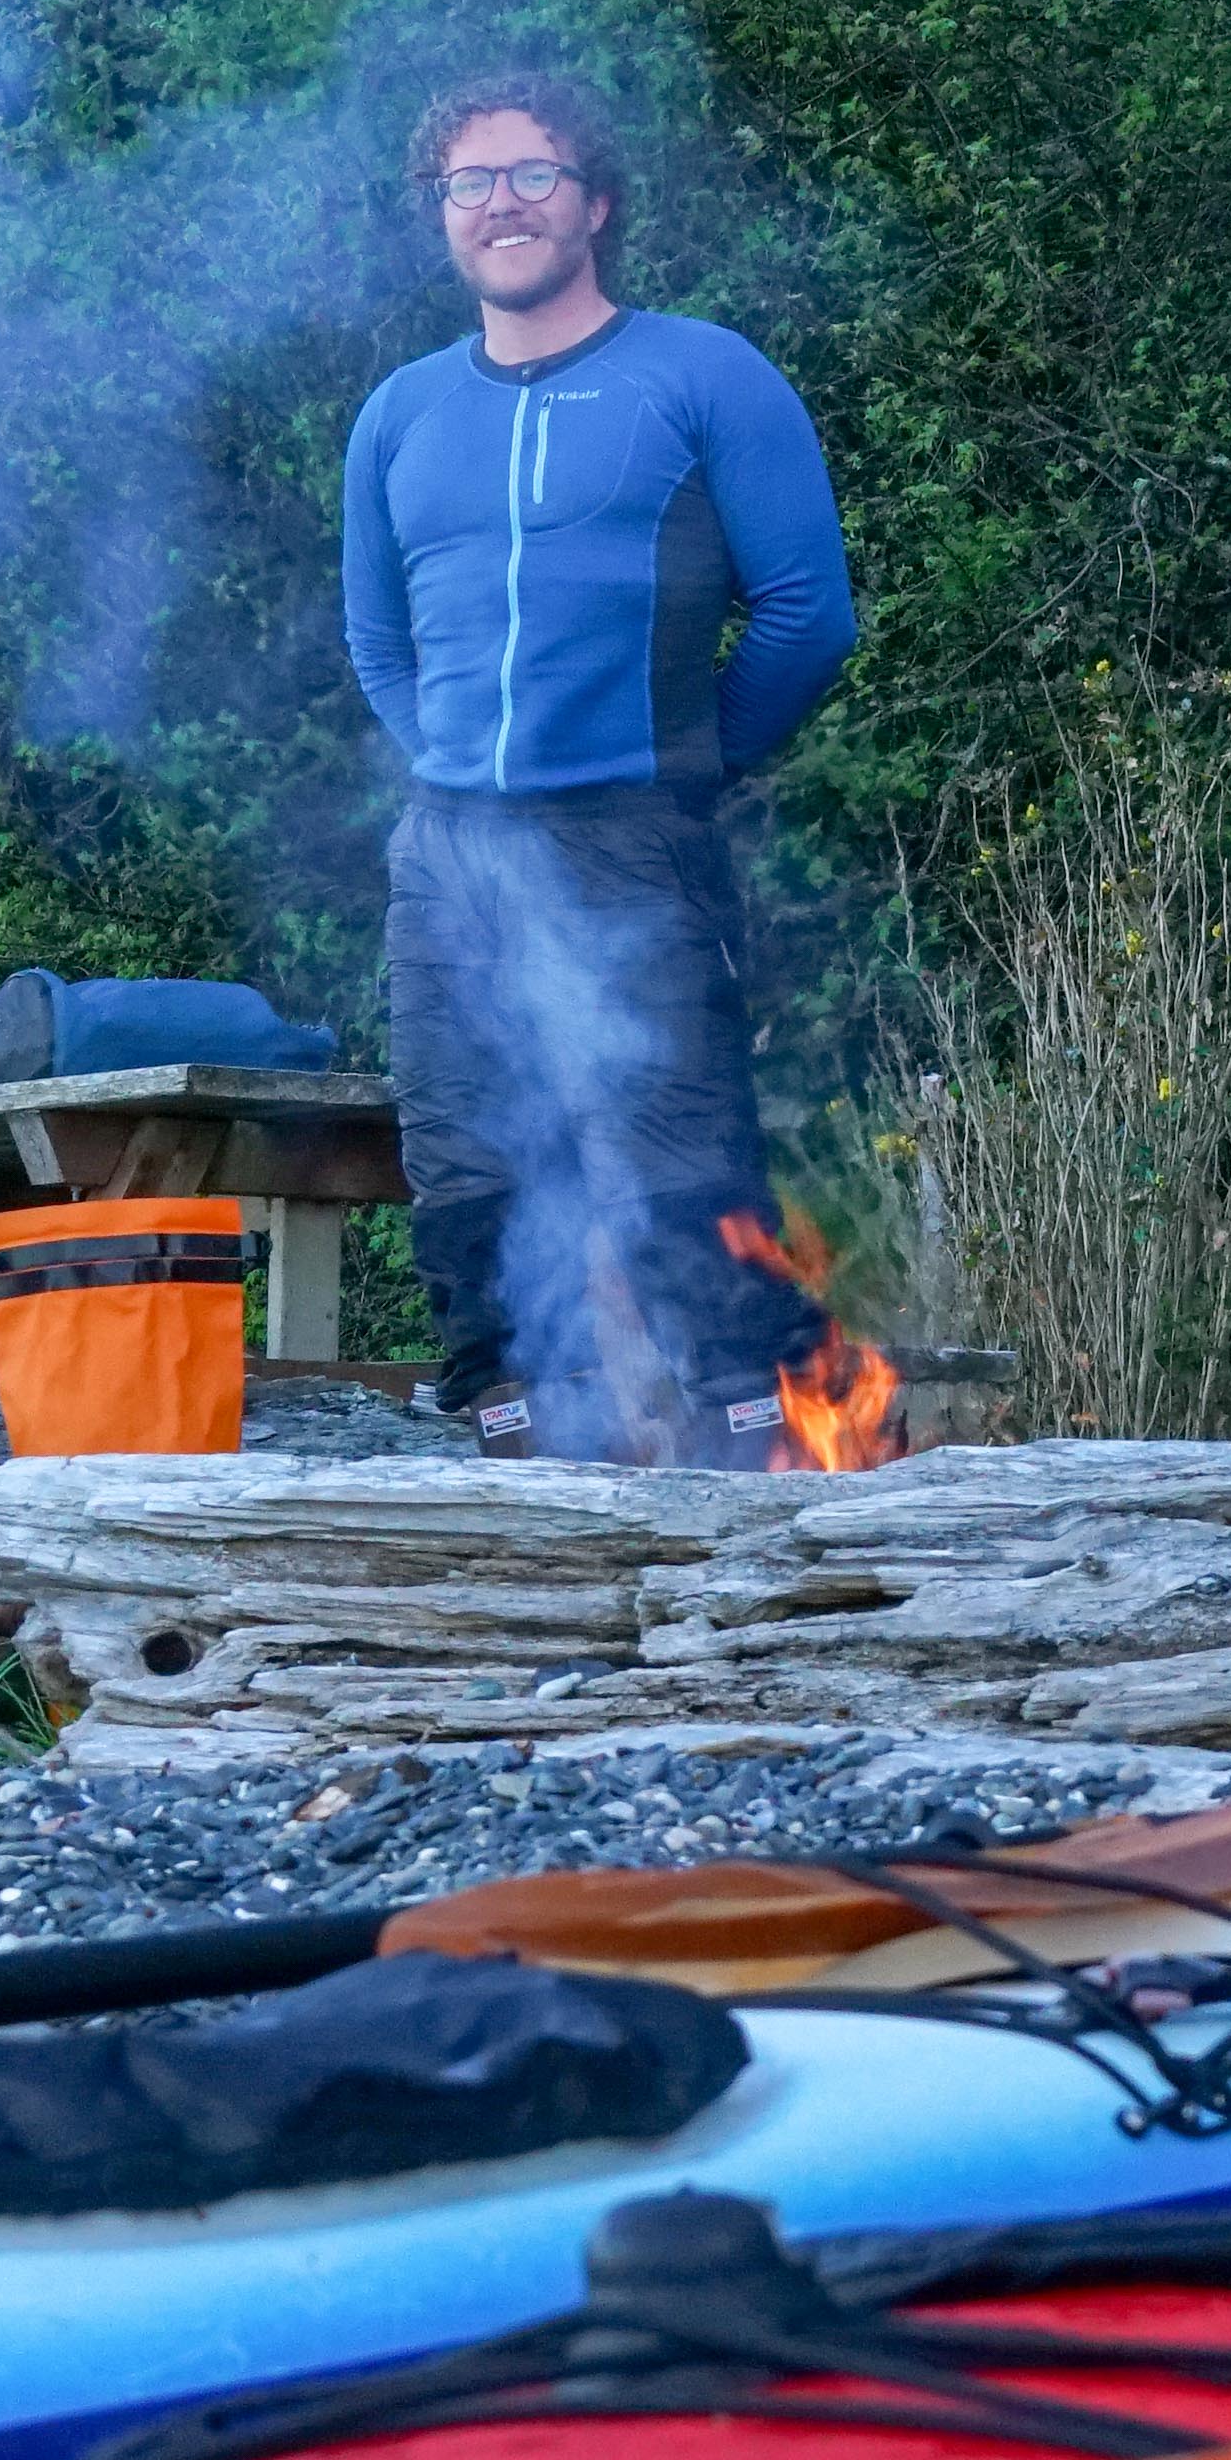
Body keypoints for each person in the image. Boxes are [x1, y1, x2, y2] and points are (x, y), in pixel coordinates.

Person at [334, 72, 861, 1455]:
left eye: (532, 175)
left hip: (632, 833)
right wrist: (451, 776)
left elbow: (811, 615)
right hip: (448, 856)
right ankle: (513, 1448)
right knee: (461, 1158)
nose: (500, 204)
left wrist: (681, 766)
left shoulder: (702, 374)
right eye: (469, 182)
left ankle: (761, 1463)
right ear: (439, 214)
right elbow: (378, 645)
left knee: (681, 1159)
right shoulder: (396, 414)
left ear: (597, 202)